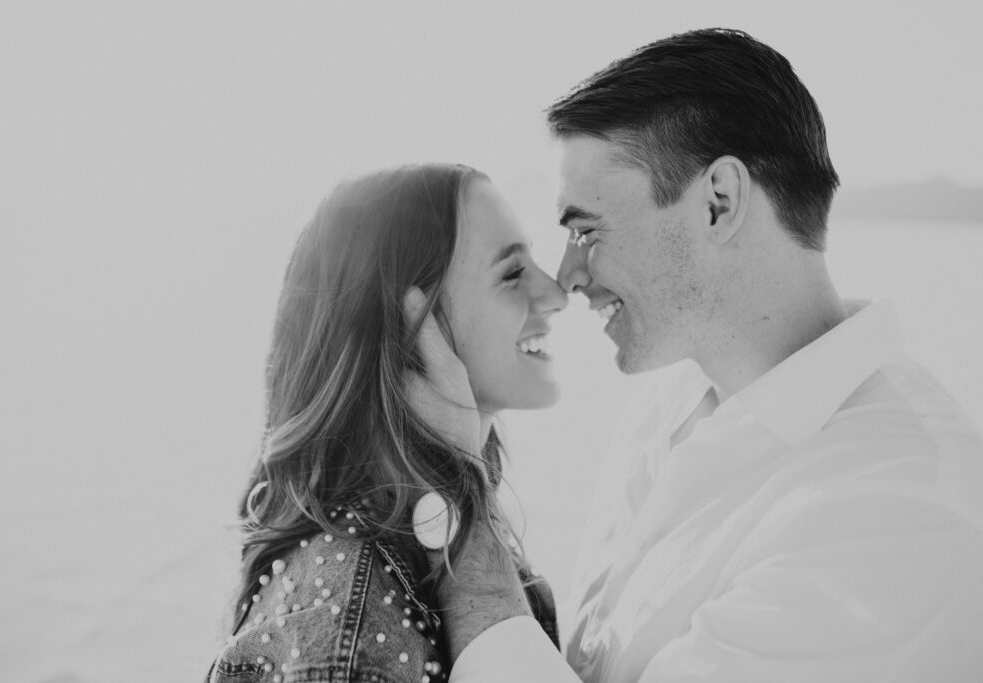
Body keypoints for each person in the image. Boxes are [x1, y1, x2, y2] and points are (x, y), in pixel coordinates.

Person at [413, 28, 983, 682]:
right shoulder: (663, 408)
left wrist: (457, 506)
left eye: (585, 230)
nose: (567, 276)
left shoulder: (901, 513)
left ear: (719, 203)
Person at [205, 163, 567, 682]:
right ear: (407, 328)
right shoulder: (349, 617)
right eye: (511, 273)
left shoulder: (441, 548)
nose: (555, 293)